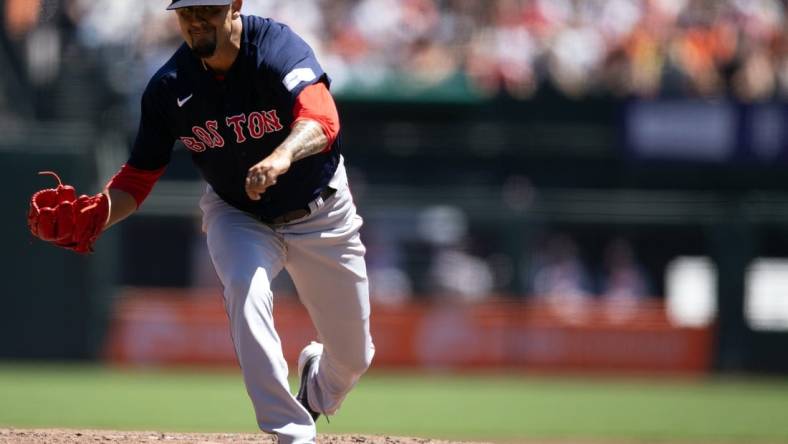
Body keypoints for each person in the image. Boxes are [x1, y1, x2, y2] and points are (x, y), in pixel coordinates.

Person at [27, 1, 374, 442]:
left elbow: (322, 117)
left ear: (234, 5)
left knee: (353, 357)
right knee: (245, 293)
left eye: (206, 8)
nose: (195, 20)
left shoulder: (275, 47)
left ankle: (317, 387)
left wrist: (281, 156)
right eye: (185, 10)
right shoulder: (169, 86)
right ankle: (291, 433)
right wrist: (100, 213)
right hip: (238, 214)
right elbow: (138, 175)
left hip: (320, 212)